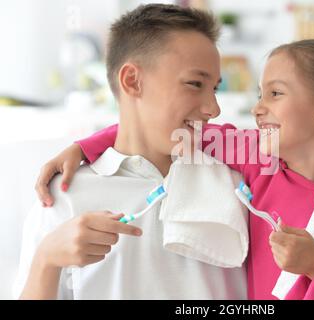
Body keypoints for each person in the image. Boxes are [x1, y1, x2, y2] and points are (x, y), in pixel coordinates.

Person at [35, 37, 314, 299]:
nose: (258, 107)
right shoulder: (258, 161)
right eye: (260, 93)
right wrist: (85, 146)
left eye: (276, 93)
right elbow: (164, 130)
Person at [15, 4, 247, 300]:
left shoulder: (236, 184)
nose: (213, 109)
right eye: (194, 84)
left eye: (214, 88)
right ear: (133, 81)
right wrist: (46, 261)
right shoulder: (63, 198)